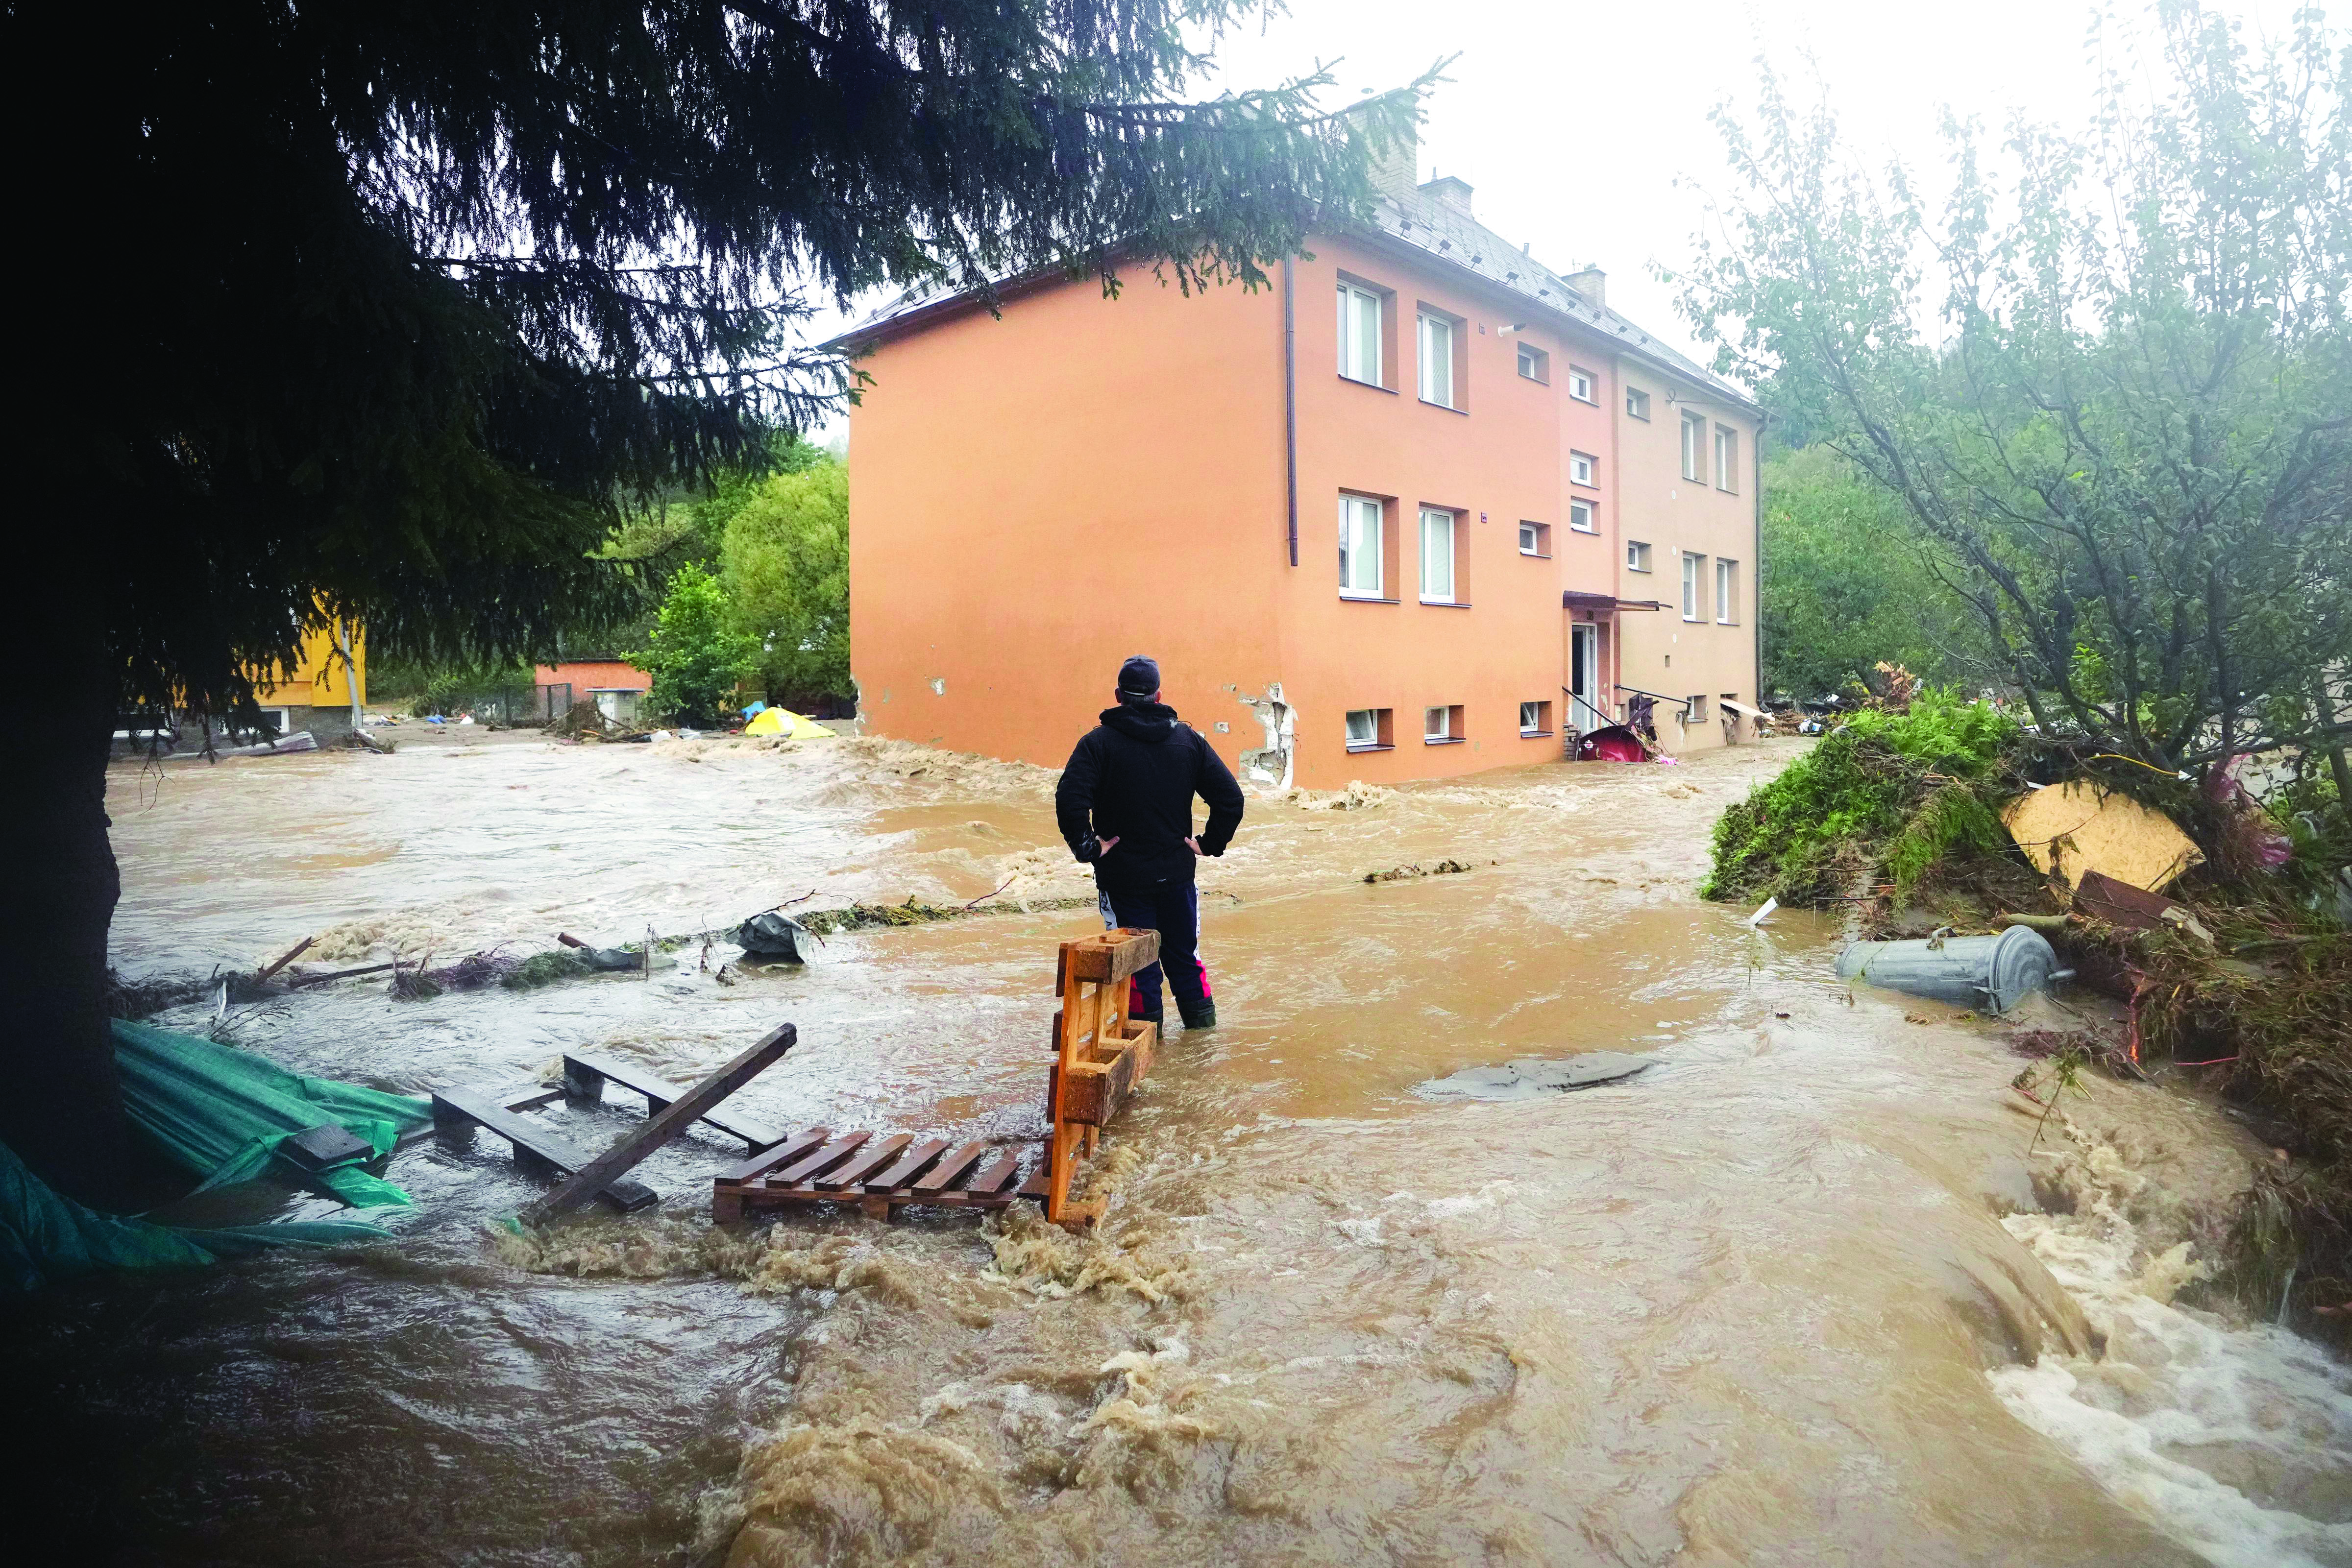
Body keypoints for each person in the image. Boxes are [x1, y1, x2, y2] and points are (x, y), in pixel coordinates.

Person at [1055, 655, 1244, 1030]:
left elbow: (1069, 799)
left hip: (1123, 880)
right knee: (1185, 959)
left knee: (1138, 971)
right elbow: (1231, 798)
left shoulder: (1097, 744)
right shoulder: (1188, 741)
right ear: (1159, 696)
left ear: (1118, 695)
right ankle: (1202, 1048)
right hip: (1177, 876)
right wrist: (1210, 844)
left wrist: (1090, 848)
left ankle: (1149, 1064)